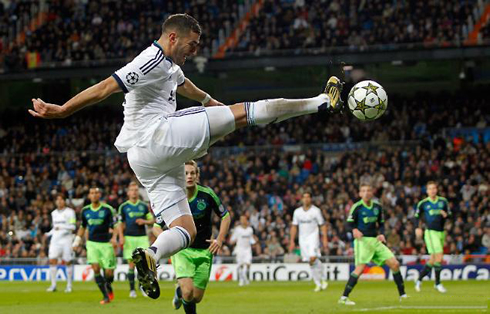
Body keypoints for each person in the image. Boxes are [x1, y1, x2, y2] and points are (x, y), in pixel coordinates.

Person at [28, 13, 344, 298]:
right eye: (192, 44)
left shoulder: (170, 66)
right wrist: (63, 110)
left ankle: (151, 255)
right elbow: (105, 87)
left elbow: (183, 84)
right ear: (173, 37)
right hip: (156, 137)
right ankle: (321, 102)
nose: (194, 51)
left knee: (186, 229)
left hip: (145, 161)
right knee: (243, 115)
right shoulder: (150, 60)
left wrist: (209, 100)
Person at [153, 160, 230, 314]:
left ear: (197, 175)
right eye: (185, 173)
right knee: (188, 292)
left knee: (196, 297)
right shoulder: (172, 198)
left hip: (205, 250)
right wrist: (171, 241)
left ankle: (179, 292)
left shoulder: (207, 194)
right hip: (183, 251)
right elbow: (156, 227)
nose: (189, 176)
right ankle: (183, 292)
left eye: (192, 173)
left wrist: (220, 239)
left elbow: (225, 216)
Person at [339, 183, 407, 305]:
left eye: (368, 190)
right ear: (360, 194)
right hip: (363, 241)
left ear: (372, 193)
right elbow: (348, 223)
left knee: (395, 264)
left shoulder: (378, 207)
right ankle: (344, 298)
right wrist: (354, 230)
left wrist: (381, 233)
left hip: (375, 241)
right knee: (359, 269)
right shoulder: (357, 207)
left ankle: (403, 295)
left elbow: (381, 223)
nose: (366, 193)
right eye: (363, 191)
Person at [72, 187, 118, 304]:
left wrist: (114, 238)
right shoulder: (85, 211)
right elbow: (83, 227)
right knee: (96, 268)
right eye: (92, 193)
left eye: (96, 193)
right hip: (92, 244)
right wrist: (77, 241)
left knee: (109, 273)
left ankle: (108, 286)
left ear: (100, 195)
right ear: (89, 196)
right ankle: (105, 296)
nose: (94, 195)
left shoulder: (108, 209)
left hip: (106, 244)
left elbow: (115, 225)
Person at [117, 182, 154, 298]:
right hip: (129, 238)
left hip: (142, 237)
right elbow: (120, 223)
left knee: (143, 265)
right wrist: (121, 237)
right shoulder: (123, 207)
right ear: (128, 192)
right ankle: (132, 290)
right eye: (132, 190)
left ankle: (143, 287)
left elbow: (152, 220)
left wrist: (144, 222)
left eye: (136, 190)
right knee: (132, 265)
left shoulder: (143, 206)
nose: (134, 192)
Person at [414, 181, 451, 293]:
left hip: (441, 232)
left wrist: (446, 215)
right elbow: (417, 217)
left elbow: (449, 215)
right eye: (430, 188)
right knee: (439, 256)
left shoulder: (443, 201)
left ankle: (419, 279)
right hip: (430, 232)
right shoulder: (423, 203)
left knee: (433, 259)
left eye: (434, 188)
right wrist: (418, 228)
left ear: (437, 189)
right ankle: (437, 283)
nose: (432, 190)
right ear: (427, 191)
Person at [289, 192, 328, 292]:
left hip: (313, 237)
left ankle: (321, 280)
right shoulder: (297, 212)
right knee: (310, 262)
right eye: (304, 197)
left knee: (312, 258)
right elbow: (294, 226)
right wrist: (292, 241)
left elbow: (322, 225)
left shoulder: (316, 211)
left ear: (311, 199)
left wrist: (324, 239)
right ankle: (319, 282)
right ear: (301, 199)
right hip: (303, 239)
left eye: (308, 197)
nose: (306, 199)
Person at [46, 194, 76, 293]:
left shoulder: (70, 212)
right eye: (57, 200)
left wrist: (63, 227)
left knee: (67, 261)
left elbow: (73, 227)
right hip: (55, 240)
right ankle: (53, 285)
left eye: (61, 199)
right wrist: (48, 233)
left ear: (64, 201)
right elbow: (54, 228)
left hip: (66, 240)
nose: (59, 201)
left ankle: (69, 285)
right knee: (52, 260)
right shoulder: (53, 213)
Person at [230, 214, 256, 286]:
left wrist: (254, 243)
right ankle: (243, 279)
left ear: (246, 220)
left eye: (243, 219)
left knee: (247, 264)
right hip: (239, 249)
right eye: (241, 219)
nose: (242, 221)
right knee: (241, 265)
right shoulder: (237, 229)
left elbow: (251, 239)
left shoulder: (250, 229)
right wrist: (231, 241)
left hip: (247, 249)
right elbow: (232, 239)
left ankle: (243, 277)